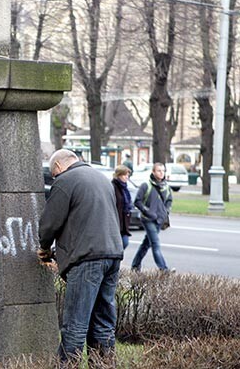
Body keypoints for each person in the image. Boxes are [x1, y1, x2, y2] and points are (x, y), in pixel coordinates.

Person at [37, 149, 124, 366]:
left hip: (87, 258)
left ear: (57, 167)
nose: (55, 177)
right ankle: (102, 364)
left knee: (75, 324)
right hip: (112, 254)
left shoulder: (66, 180)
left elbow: (50, 223)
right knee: (103, 322)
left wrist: (45, 248)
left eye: (54, 174)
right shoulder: (101, 178)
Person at [131, 162, 173, 272]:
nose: (161, 173)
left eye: (163, 171)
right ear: (153, 172)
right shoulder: (146, 185)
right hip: (147, 219)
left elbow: (169, 200)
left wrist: (166, 212)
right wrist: (147, 211)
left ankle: (135, 265)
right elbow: (137, 201)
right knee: (155, 243)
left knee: (146, 244)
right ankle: (163, 269)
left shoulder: (166, 187)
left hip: (159, 220)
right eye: (159, 170)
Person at [112, 165, 132, 250]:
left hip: (124, 221)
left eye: (128, 175)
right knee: (122, 243)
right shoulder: (113, 187)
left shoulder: (125, 188)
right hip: (116, 220)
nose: (126, 177)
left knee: (124, 243)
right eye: (124, 175)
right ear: (118, 175)